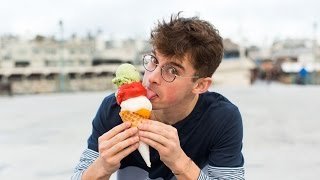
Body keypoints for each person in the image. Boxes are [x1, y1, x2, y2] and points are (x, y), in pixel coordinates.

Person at [72, 12, 245, 180]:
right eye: (154, 60)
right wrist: (102, 166)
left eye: (172, 70)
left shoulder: (221, 118)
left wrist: (180, 162)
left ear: (200, 85)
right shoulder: (114, 108)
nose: (152, 77)